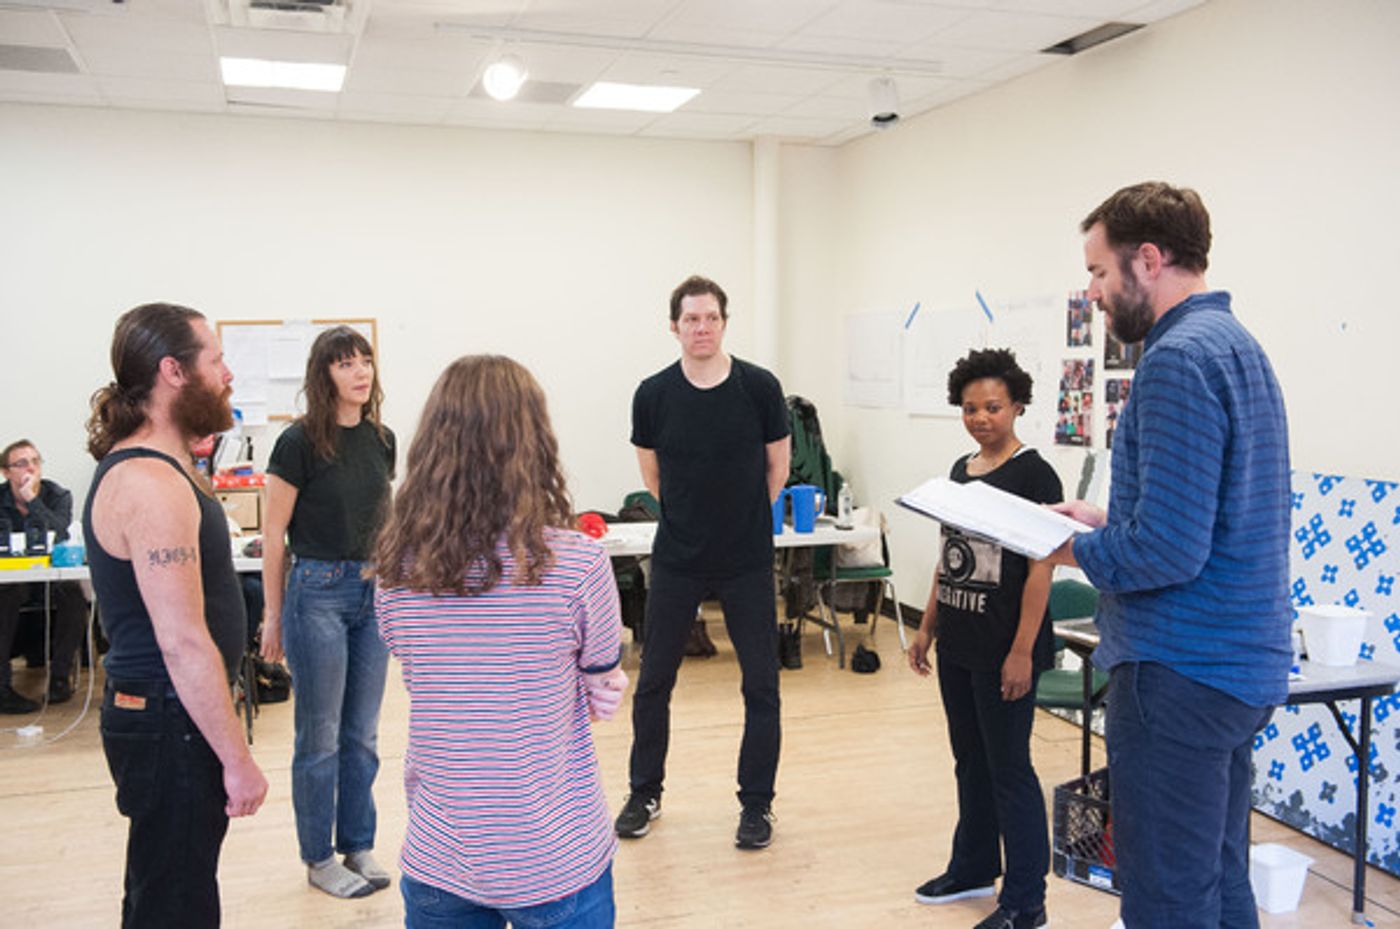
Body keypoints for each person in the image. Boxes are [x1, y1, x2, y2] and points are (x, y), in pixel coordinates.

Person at [1046, 182, 1290, 929]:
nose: (1091, 291)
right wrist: (1108, 516)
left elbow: (1168, 549)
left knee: (1165, 896)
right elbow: (1210, 515)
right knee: (1218, 877)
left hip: (1179, 670)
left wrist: (1068, 547)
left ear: (1148, 260)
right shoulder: (1238, 346)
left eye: (1097, 271)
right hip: (1239, 669)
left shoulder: (1174, 360)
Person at [375, 355, 627, 929]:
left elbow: (422, 666)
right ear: (534, 442)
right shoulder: (579, 564)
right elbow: (601, 684)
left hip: (442, 856)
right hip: (556, 857)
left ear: (432, 449)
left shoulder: (395, 572)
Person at [82, 302, 268, 927]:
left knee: (164, 887)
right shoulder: (149, 482)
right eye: (215, 360)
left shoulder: (165, 467)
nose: (228, 373)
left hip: (167, 717)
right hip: (168, 719)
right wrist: (238, 762)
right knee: (176, 902)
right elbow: (183, 642)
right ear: (174, 372)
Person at [615, 274, 791, 850]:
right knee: (654, 683)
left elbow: (777, 471)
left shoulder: (760, 388)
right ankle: (645, 792)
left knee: (761, 686)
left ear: (724, 322)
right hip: (678, 559)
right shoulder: (653, 394)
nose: (702, 328)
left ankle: (757, 806)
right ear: (674, 326)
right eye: (691, 319)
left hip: (745, 559)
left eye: (711, 317)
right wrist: (693, 520)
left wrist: (739, 520)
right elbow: (654, 477)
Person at [906, 348, 1062, 929]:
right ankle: (972, 866)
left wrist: (1022, 651)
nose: (981, 417)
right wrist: (926, 627)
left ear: (1018, 405)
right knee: (969, 761)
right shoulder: (959, 471)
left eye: (993, 406)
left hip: (1006, 650)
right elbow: (951, 560)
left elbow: (1043, 568)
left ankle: (1027, 899)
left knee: (1009, 769)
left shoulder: (1035, 475)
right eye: (970, 408)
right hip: (960, 644)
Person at [260, 325, 397, 899]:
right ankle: (318, 858)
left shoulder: (382, 438)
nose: (359, 372)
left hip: (373, 591)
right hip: (316, 590)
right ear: (324, 375)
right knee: (319, 736)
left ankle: (357, 845)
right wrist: (272, 615)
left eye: (364, 360)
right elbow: (272, 534)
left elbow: (384, 519)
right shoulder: (298, 443)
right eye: (345, 364)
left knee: (362, 735)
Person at [0, 439, 88, 708]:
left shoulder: (57, 495)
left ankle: (60, 678)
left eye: (35, 462)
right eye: (21, 463)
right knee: (8, 594)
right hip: (12, 577)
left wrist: (32, 501)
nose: (31, 468)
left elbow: (59, 533)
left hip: (49, 576)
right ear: (6, 472)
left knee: (73, 594)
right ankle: (2, 687)